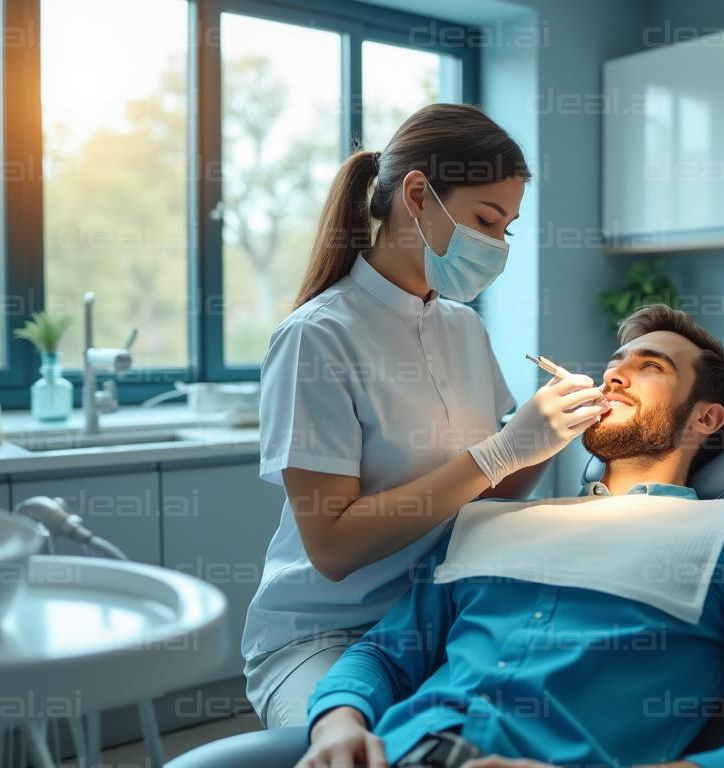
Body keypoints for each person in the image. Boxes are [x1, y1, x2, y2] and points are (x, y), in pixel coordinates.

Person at [297, 304, 724, 768]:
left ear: (706, 419)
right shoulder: (491, 520)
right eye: (616, 362)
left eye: (650, 367)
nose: (615, 374)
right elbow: (382, 655)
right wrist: (339, 723)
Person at [243, 104, 610, 728]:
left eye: (507, 230)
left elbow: (485, 496)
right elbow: (332, 546)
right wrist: (498, 450)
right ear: (417, 195)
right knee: (368, 745)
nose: (496, 246)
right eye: (485, 220)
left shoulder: (464, 328)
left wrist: (545, 439)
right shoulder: (317, 337)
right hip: (327, 634)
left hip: (444, 611)